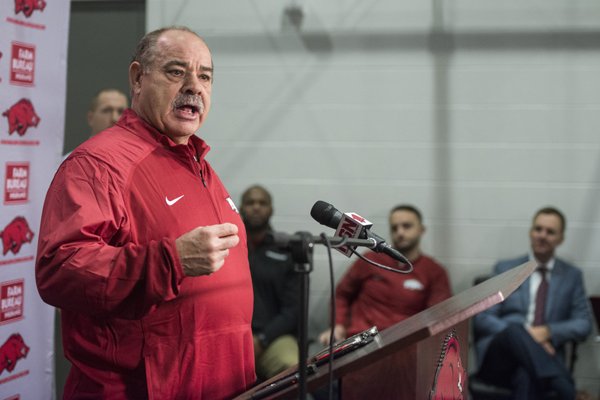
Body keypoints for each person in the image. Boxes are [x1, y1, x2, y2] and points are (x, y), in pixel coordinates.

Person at [36, 27, 255, 399]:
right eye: (175, 71)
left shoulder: (199, 165)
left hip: (222, 384)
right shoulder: (98, 164)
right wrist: (170, 261)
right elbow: (60, 268)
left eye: (204, 76)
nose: (194, 86)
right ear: (138, 78)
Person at [317, 204, 451, 399]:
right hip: (362, 344)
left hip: (404, 347)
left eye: (407, 226)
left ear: (421, 230)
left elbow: (439, 314)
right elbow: (342, 295)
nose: (400, 232)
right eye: (395, 228)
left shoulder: (434, 271)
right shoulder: (370, 260)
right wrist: (337, 325)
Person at [473, 207, 592, 400]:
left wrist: (548, 331)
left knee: (527, 374)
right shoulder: (506, 268)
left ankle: (560, 384)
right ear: (531, 232)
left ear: (561, 238)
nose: (542, 236)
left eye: (550, 232)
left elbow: (584, 324)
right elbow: (483, 317)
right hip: (499, 359)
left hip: (539, 361)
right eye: (538, 229)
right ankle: (565, 386)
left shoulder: (572, 276)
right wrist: (527, 336)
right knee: (515, 330)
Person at [240, 185, 300, 381]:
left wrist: (262, 339)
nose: (256, 207)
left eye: (262, 203)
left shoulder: (286, 250)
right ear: (240, 208)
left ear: (271, 210)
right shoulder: (226, 246)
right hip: (231, 337)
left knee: (291, 368)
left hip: (273, 338)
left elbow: (294, 310)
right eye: (250, 202)